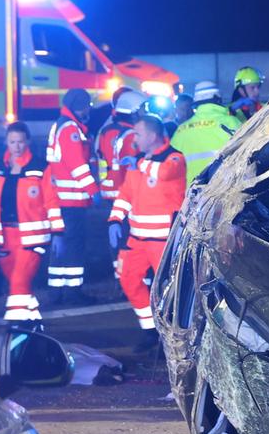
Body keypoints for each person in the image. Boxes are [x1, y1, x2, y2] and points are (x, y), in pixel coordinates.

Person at [109, 112, 187, 349]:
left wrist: (139, 163)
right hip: (137, 239)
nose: (135, 138)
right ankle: (150, 329)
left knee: (170, 288)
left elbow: (163, 173)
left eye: (139, 134)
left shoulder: (174, 158)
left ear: (152, 135)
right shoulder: (139, 162)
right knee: (128, 279)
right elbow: (125, 194)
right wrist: (114, 218)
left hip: (163, 240)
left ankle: (176, 336)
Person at [0, 122, 64, 326]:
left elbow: (52, 202)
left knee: (19, 283)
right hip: (4, 237)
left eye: (20, 141)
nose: (17, 146)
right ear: (6, 142)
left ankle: (15, 329)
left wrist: (58, 232)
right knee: (17, 285)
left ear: (27, 141)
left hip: (32, 238)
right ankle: (34, 323)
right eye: (12, 142)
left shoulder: (40, 168)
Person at [46, 89, 97, 301]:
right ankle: (73, 292)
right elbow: (77, 166)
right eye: (87, 105)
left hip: (63, 198)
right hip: (71, 200)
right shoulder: (70, 129)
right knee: (74, 245)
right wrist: (93, 190)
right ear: (80, 106)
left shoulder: (62, 124)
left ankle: (57, 291)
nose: (89, 109)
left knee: (62, 245)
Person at [172, 83, 245, 183]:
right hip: (224, 191)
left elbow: (172, 168)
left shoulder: (180, 131)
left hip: (191, 194)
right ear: (218, 99)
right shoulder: (231, 123)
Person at [96, 88, 145, 203]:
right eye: (143, 109)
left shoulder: (106, 131)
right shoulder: (132, 135)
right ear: (134, 112)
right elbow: (133, 167)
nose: (146, 112)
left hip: (108, 190)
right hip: (126, 193)